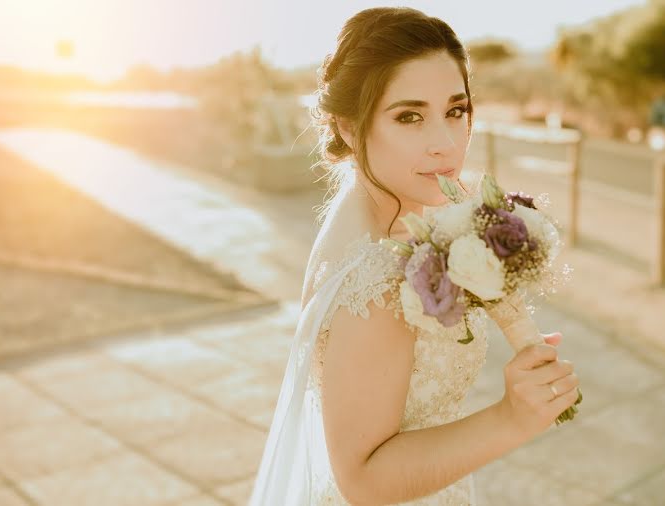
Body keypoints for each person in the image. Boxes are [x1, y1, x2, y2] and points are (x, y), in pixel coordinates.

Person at [249, 7, 581, 505]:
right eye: (409, 116)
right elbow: (362, 480)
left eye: (455, 110)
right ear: (346, 125)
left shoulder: (378, 208)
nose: (445, 144)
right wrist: (512, 417)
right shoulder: (380, 281)